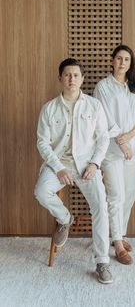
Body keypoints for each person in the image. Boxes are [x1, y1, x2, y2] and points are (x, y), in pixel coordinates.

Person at [34, 58, 113, 284]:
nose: (71, 79)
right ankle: (65, 218)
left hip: (87, 165)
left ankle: (102, 262)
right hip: (58, 164)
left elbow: (103, 138)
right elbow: (42, 143)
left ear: (82, 79)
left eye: (76, 75)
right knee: (41, 191)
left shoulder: (94, 106)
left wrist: (95, 163)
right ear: (60, 78)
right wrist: (58, 168)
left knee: (100, 206)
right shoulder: (48, 108)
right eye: (67, 75)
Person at [94, 45, 135, 265]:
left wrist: (131, 136)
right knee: (115, 195)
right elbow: (105, 120)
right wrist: (122, 141)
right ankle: (118, 244)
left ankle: (119, 234)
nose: (122, 63)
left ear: (131, 63)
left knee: (129, 193)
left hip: (133, 147)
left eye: (127, 59)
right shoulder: (102, 87)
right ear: (112, 60)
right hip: (111, 148)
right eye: (119, 58)